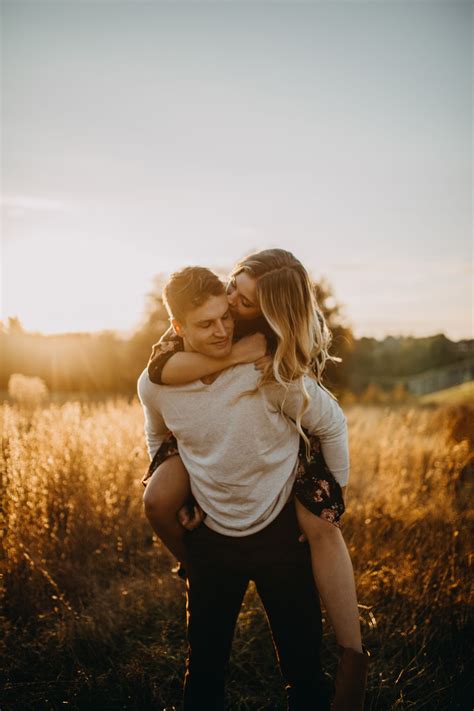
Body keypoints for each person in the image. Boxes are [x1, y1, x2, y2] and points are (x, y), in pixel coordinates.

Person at [142, 251, 369, 710]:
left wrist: (328, 502)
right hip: (212, 538)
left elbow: (331, 423)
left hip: (280, 533)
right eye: (209, 321)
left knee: (304, 670)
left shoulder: (271, 367)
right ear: (181, 327)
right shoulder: (159, 378)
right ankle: (192, 567)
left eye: (234, 311)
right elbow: (157, 419)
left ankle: (352, 660)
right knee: (203, 671)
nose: (225, 326)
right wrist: (178, 483)